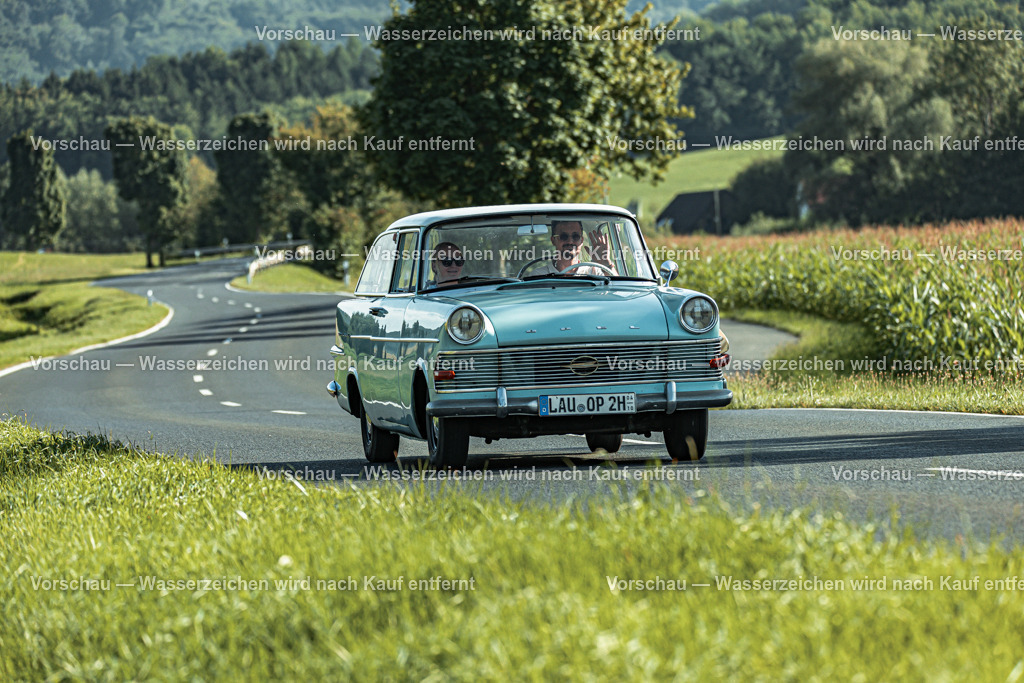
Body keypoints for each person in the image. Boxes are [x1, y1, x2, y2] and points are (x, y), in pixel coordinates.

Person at [540, 220, 617, 275]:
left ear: (581, 240)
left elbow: (617, 292)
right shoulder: (540, 275)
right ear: (553, 240)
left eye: (575, 236)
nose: (570, 241)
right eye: (563, 236)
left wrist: (605, 262)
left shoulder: (594, 272)